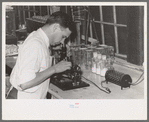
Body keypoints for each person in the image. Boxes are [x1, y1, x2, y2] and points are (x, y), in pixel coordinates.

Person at [8, 11, 76, 99]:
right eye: (63, 37)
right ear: (55, 27)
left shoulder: (38, 38)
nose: (63, 42)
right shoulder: (36, 44)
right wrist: (54, 69)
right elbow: (24, 83)